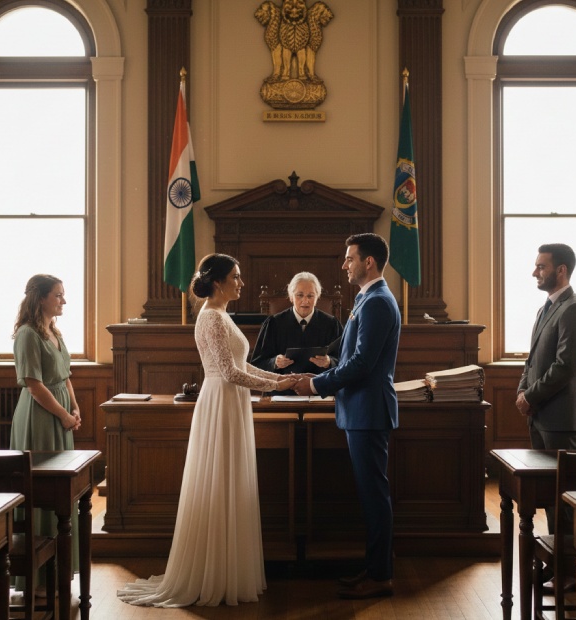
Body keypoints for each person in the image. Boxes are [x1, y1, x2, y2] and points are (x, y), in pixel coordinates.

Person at [117, 254, 299, 607]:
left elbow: (241, 365)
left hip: (232, 402)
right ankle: (213, 572)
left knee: (229, 482)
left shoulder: (222, 316)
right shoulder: (212, 317)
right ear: (217, 282)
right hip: (220, 401)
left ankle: (228, 568)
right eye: (236, 276)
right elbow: (230, 374)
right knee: (219, 481)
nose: (241, 283)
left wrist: (280, 378)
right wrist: (276, 387)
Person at [294, 233, 401, 599]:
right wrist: (319, 375)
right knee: (371, 495)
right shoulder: (366, 299)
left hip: (368, 411)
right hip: (359, 410)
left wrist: (315, 385)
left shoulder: (376, 302)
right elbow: (348, 357)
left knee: (374, 496)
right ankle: (374, 568)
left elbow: (361, 364)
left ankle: (381, 575)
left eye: (349, 258)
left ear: (368, 262)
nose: (345, 264)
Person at [10, 274, 82, 597]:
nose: (63, 300)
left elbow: (65, 374)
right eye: (58, 295)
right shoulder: (27, 334)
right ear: (40, 298)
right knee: (41, 491)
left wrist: (76, 407)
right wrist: (63, 414)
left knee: (61, 492)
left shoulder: (54, 331)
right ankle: (36, 580)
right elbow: (35, 385)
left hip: (60, 418)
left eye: (63, 295)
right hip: (39, 419)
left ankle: (57, 570)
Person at [516, 243, 576, 536]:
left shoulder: (575, 309)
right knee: (549, 494)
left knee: (564, 498)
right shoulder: (545, 308)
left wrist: (530, 396)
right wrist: (523, 392)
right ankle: (555, 562)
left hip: (562, 419)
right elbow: (533, 359)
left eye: (541, 266)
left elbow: (564, 367)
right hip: (539, 415)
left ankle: (571, 572)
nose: (534, 272)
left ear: (561, 270)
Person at [251, 272, 343, 392]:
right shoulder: (274, 323)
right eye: (300, 295)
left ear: (317, 297)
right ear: (291, 297)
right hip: (282, 393)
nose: (305, 301)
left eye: (310, 296)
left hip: (319, 391)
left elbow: (345, 361)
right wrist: (274, 363)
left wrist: (329, 362)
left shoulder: (332, 324)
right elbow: (256, 365)